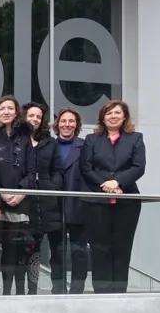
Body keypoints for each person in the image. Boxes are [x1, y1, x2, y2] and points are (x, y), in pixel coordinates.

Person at [82, 100, 146, 294]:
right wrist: (108, 186)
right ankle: (101, 294)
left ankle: (119, 294)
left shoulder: (135, 138)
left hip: (127, 202)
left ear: (124, 116)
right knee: (99, 249)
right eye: (108, 113)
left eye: (117, 113)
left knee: (122, 249)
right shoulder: (92, 139)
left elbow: (138, 167)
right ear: (103, 117)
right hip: (97, 202)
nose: (113, 116)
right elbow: (86, 168)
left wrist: (118, 183)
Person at [0, 96, 36, 295]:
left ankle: (8, 292)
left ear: (16, 113)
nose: (6, 112)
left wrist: (21, 192)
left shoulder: (25, 138)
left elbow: (32, 171)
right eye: (1, 108)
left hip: (19, 202)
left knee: (12, 251)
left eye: (10, 108)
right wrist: (0, 193)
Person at [50, 108, 90, 294]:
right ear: (57, 125)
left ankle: (77, 290)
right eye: (63, 121)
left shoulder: (85, 146)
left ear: (77, 124)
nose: (67, 124)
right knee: (56, 250)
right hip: (54, 206)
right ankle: (57, 289)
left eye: (71, 121)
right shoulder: (48, 145)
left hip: (78, 204)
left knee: (79, 252)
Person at [24, 102, 59, 295]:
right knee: (31, 249)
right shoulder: (19, 140)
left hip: (47, 201)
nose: (35, 119)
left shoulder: (50, 142)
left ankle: (57, 289)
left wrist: (52, 187)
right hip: (26, 202)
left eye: (38, 117)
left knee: (54, 248)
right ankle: (31, 290)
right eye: (31, 115)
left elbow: (57, 170)